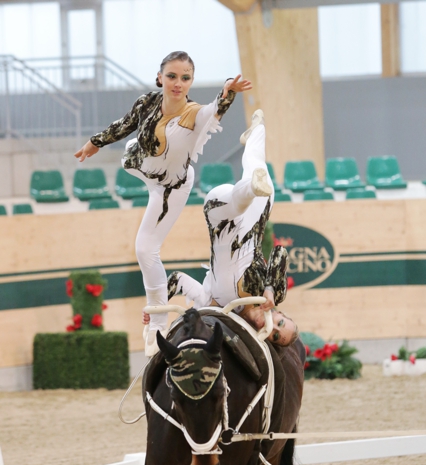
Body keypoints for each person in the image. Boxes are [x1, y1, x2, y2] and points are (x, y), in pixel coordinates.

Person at [74, 51, 252, 355]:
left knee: (145, 249)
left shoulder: (194, 114)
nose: (178, 83)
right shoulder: (148, 101)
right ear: (160, 78)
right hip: (143, 166)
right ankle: (156, 318)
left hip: (171, 187)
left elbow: (215, 110)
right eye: (172, 76)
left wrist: (227, 92)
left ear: (191, 81)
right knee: (131, 148)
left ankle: (156, 322)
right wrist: (95, 142)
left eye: (185, 78)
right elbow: (126, 123)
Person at [144, 110, 298, 351]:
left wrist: (158, 307)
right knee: (258, 169)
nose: (275, 328)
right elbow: (279, 252)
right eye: (280, 322)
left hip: (220, 218)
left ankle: (250, 186)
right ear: (278, 313)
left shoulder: (214, 304)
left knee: (241, 196)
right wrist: (269, 289)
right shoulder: (270, 294)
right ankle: (257, 131)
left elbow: (178, 280)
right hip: (254, 219)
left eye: (276, 335)